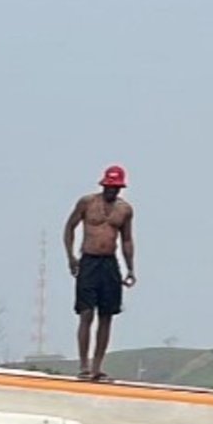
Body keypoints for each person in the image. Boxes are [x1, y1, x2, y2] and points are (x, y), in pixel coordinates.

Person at [63, 164, 136, 382]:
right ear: (103, 185)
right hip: (89, 262)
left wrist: (130, 268)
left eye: (116, 187)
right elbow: (69, 227)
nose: (112, 190)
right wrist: (71, 257)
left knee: (107, 315)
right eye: (109, 186)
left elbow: (127, 239)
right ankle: (84, 365)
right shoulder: (87, 203)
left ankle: (97, 366)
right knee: (86, 313)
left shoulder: (124, 210)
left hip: (109, 264)